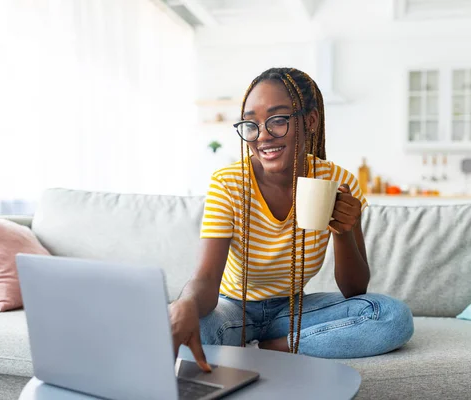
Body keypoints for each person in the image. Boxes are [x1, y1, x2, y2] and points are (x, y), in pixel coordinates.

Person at [169, 67, 414, 372]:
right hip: (233, 311)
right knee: (194, 330)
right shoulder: (228, 183)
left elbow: (355, 290)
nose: (262, 136)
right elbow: (206, 280)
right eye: (252, 124)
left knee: (391, 317)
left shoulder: (336, 179)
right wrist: (185, 306)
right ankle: (285, 345)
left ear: (310, 121)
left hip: (293, 312)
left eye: (278, 120)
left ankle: (275, 348)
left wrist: (342, 231)